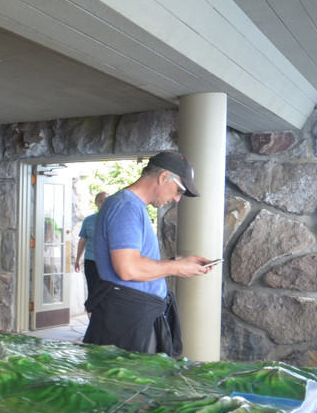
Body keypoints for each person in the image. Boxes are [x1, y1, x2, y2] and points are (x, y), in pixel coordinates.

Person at [83, 151, 217, 356]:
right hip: (127, 321)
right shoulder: (125, 207)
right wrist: (177, 268)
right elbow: (128, 269)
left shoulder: (131, 206)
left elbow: (135, 261)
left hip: (133, 317)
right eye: (179, 190)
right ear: (163, 177)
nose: (177, 199)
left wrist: (178, 260)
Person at [74, 191, 108, 299]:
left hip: (109, 262)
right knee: (93, 291)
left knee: (107, 292)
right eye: (100, 201)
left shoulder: (116, 219)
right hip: (91, 261)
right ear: (96, 204)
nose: (103, 202)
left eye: (106, 200)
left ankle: (105, 315)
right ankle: (92, 315)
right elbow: (83, 240)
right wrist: (78, 260)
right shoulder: (88, 220)